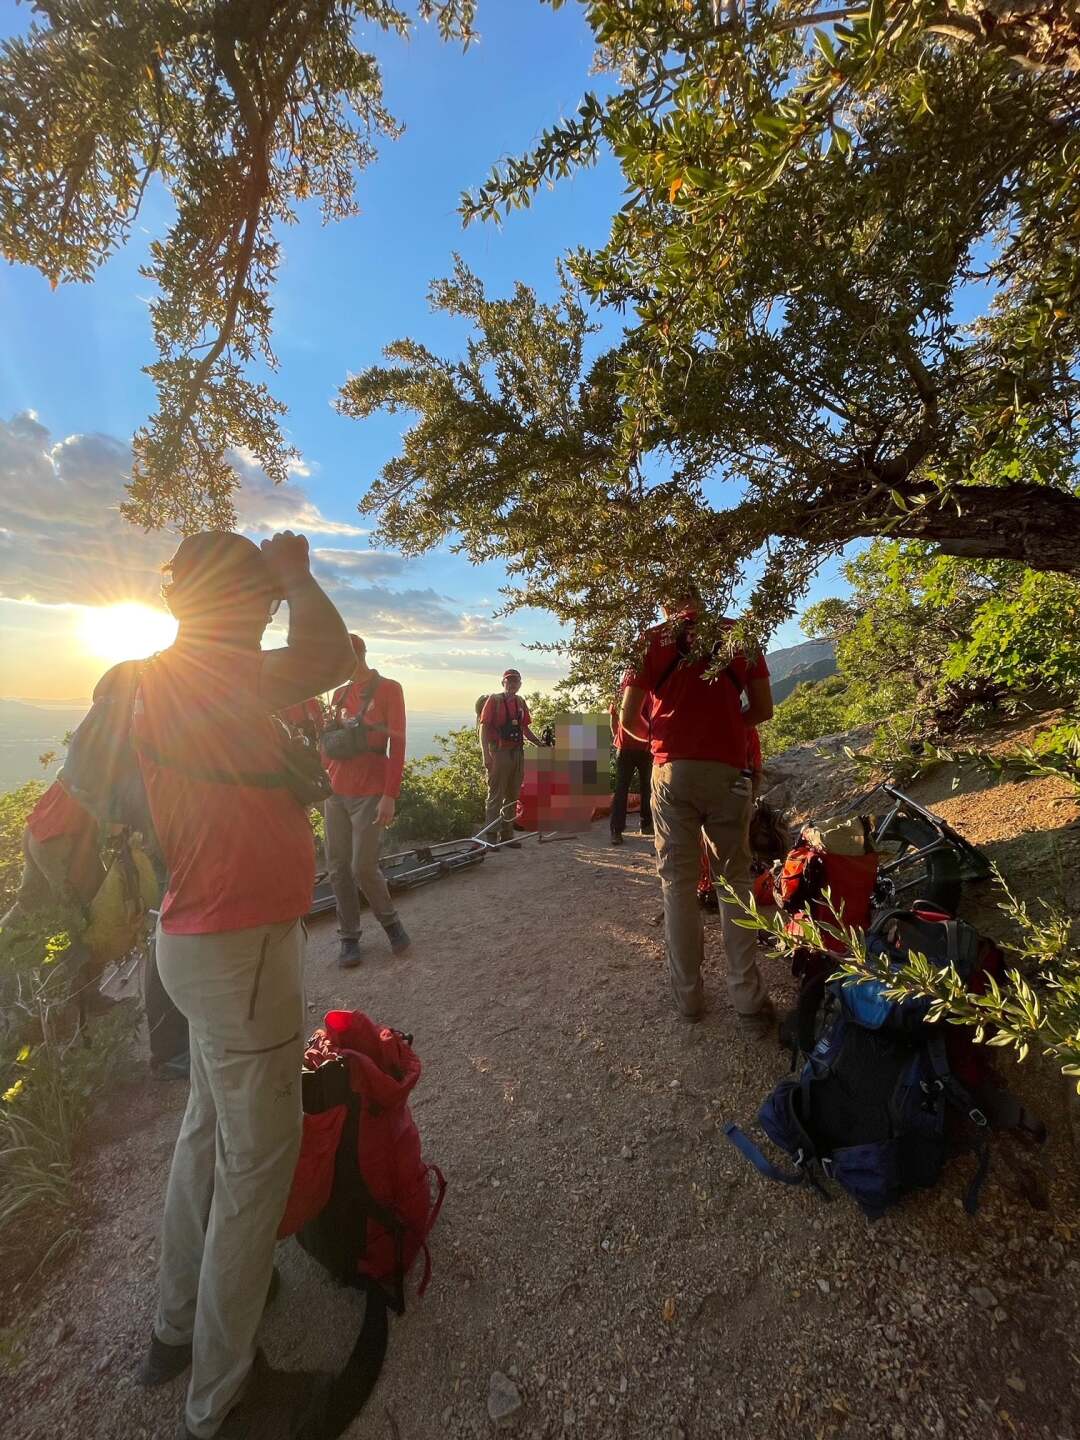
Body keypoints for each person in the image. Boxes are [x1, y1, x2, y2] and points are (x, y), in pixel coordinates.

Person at [131, 529, 353, 1440]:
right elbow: (331, 651)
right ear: (234, 603)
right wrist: (296, 574)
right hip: (238, 947)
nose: (265, 610)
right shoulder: (218, 673)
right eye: (256, 597)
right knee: (257, 1162)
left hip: (189, 938)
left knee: (206, 1132)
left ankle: (175, 1331)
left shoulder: (148, 678)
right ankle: (220, 1402)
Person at [621, 601, 775, 1032]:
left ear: (667, 602)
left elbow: (629, 718)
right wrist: (725, 726)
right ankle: (747, 999)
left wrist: (668, 737)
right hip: (728, 771)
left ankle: (689, 998)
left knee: (678, 885)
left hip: (672, 772)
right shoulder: (738, 634)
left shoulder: (651, 640)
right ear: (704, 599)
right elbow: (763, 710)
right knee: (734, 881)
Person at [322, 634, 409, 968]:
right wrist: (322, 779)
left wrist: (390, 794)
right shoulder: (339, 693)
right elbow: (328, 741)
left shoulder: (389, 689)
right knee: (338, 866)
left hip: (370, 791)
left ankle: (391, 924)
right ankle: (349, 938)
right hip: (336, 791)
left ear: (357, 655)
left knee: (362, 865)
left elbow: (397, 744)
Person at [479, 670, 545, 848]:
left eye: (516, 681)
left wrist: (541, 745)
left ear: (520, 684)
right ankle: (491, 836)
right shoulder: (494, 700)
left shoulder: (520, 702)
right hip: (498, 753)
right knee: (495, 796)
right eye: (509, 681)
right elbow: (483, 729)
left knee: (512, 796)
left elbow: (525, 729)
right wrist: (486, 755)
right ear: (503, 683)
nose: (512, 684)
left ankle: (507, 835)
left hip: (517, 753)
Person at [609, 670, 653, 846]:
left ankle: (620, 830)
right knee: (642, 788)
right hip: (640, 747)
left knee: (625, 789)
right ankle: (641, 825)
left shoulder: (620, 694)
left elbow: (613, 719)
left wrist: (616, 739)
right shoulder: (650, 693)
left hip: (632, 747)